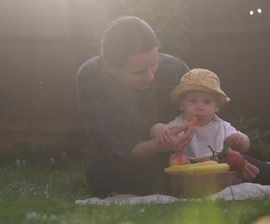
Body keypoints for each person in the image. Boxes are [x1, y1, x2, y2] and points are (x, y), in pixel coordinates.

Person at [76, 16, 193, 197]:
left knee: (248, 166)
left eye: (154, 64)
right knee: (100, 174)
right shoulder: (91, 76)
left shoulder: (176, 69)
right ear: (111, 67)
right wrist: (156, 145)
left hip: (181, 155)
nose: (150, 77)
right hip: (128, 160)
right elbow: (103, 143)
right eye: (138, 73)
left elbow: (204, 118)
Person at [151, 68, 270, 186]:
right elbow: (158, 131)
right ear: (182, 105)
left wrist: (241, 140)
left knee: (255, 169)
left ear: (216, 107)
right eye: (193, 101)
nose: (200, 107)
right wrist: (158, 128)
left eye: (207, 102)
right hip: (187, 171)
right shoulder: (178, 124)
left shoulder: (221, 126)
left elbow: (244, 146)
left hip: (220, 170)